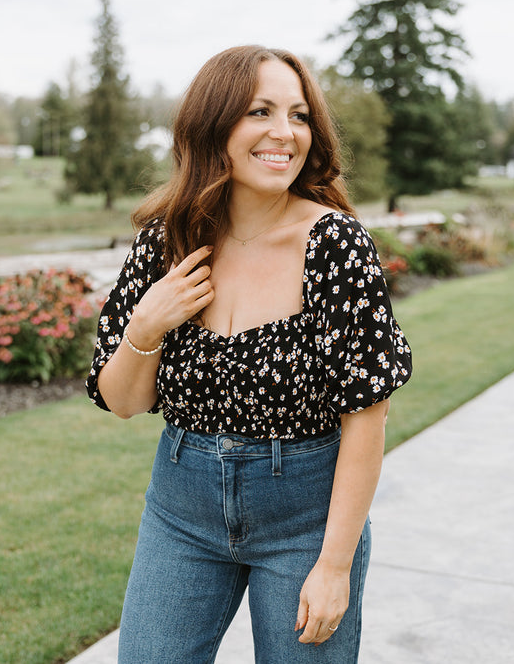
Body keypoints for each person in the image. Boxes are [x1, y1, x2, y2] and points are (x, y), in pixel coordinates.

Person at [86, 45, 412, 663]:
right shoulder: (168, 240)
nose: (283, 134)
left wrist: (334, 565)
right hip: (180, 510)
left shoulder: (334, 244)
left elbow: (368, 417)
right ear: (214, 125)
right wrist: (147, 324)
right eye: (260, 111)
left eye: (298, 115)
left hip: (304, 521)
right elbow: (123, 401)